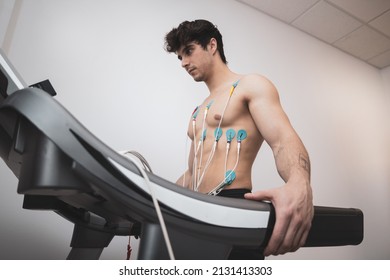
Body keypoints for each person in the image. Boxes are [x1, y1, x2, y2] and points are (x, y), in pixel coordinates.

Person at [164, 19, 313, 258]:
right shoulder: (199, 110)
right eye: (180, 57)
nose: (183, 63)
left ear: (212, 45)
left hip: (232, 205)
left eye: (189, 51)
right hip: (195, 212)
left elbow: (282, 141)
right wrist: (154, 197)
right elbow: (192, 173)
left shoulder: (250, 85)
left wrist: (299, 182)